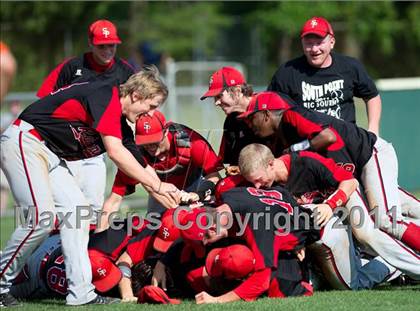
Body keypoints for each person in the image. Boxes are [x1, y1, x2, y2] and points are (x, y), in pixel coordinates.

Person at [0, 67, 180, 307]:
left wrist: (165, 190)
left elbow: (138, 161)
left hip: (49, 154)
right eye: (152, 105)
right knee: (42, 219)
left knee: (78, 215)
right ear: (136, 95)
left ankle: (81, 293)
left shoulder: (120, 121)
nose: (151, 112)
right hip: (27, 141)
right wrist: (156, 185)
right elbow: (116, 153)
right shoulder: (105, 95)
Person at [238, 91, 420, 252]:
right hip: (356, 168)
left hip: (370, 155)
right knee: (402, 207)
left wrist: (295, 149)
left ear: (266, 114)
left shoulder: (291, 116)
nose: (248, 123)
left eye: (251, 117)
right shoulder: (280, 136)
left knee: (386, 219)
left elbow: (328, 136)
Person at [238, 143, 420, 283]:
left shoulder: (305, 162)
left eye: (258, 180)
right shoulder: (271, 186)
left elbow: (350, 182)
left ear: (271, 164)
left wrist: (330, 204)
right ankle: (394, 267)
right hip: (331, 213)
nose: (257, 187)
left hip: (347, 194)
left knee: (367, 235)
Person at [36, 19, 136, 226]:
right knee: (63, 206)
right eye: (102, 45)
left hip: (96, 149)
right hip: (64, 147)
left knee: (92, 205)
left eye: (112, 45)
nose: (108, 50)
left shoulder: (125, 72)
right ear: (90, 43)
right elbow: (44, 102)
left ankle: (87, 252)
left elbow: (138, 104)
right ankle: (54, 252)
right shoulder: (73, 67)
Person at [97, 111, 222, 232]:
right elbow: (114, 199)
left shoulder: (190, 142)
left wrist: (197, 195)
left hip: (193, 186)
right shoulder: (136, 158)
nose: (150, 146)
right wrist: (99, 234)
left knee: (200, 227)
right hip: (159, 195)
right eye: (145, 142)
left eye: (155, 140)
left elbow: (215, 176)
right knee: (156, 229)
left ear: (166, 131)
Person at [267, 16, 382, 135]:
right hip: (305, 145)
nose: (314, 49)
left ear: (331, 42)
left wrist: (373, 130)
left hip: (346, 143)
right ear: (302, 43)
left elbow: (372, 96)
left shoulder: (349, 67)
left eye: (319, 42)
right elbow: (270, 107)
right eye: (309, 43)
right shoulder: (287, 72)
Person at [200, 67, 273, 175]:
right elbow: (233, 162)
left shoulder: (268, 109)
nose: (216, 103)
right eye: (214, 98)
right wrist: (237, 169)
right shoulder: (231, 121)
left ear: (238, 91)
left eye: (219, 96)